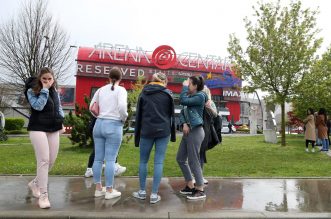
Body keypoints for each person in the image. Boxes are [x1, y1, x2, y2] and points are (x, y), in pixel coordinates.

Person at [132, 72, 176, 204]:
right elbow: (171, 115)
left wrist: (137, 134)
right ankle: (154, 195)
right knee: (159, 162)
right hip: (163, 131)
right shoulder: (168, 94)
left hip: (146, 130)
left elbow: (138, 115)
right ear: (164, 82)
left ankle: (141, 192)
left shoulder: (144, 93)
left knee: (143, 161)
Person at [26, 67, 65, 209]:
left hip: (53, 128)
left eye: (50, 79)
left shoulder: (55, 91)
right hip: (37, 128)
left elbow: (59, 107)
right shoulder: (32, 90)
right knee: (43, 161)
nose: (47, 81)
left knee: (51, 161)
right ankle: (43, 196)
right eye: (44, 79)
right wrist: (44, 89)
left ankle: (35, 183)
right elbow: (38, 106)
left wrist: (61, 121)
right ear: (40, 79)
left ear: (53, 79)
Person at [89, 67, 128, 200]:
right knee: (110, 159)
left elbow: (91, 107)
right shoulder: (121, 90)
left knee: (98, 158)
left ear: (108, 78)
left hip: (98, 124)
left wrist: (100, 115)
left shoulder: (100, 90)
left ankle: (98, 189)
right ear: (120, 79)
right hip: (113, 125)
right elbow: (122, 107)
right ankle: (110, 190)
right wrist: (124, 118)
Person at [176, 76, 207, 200]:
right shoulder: (190, 97)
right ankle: (190, 185)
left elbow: (182, 101)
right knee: (180, 158)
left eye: (189, 84)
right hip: (188, 130)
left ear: (195, 86)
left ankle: (200, 189)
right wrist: (184, 123)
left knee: (193, 160)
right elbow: (183, 112)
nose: (187, 85)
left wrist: (183, 87)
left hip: (196, 131)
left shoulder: (200, 96)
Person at [199, 85, 218, 184]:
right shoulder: (195, 100)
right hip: (196, 129)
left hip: (205, 130)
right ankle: (197, 176)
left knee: (201, 153)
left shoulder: (210, 102)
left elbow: (215, 114)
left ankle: (199, 176)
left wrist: (209, 107)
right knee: (196, 153)